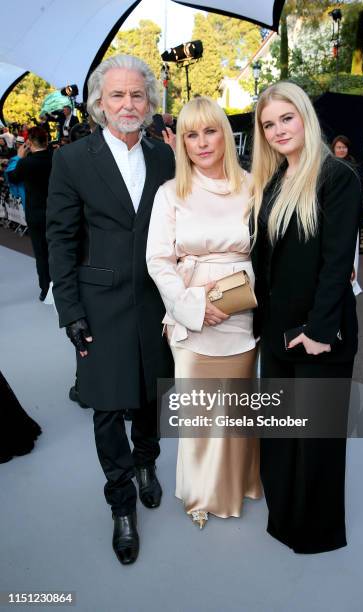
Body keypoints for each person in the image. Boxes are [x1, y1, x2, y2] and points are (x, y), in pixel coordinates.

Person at [46, 54, 175, 565]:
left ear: (149, 104)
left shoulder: (166, 159)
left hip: (157, 303)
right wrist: (69, 311)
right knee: (106, 407)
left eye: (137, 95)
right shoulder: (73, 160)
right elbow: (60, 238)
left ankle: (148, 463)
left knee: (150, 395)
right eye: (117, 95)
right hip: (98, 305)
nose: (128, 104)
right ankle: (121, 503)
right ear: (99, 103)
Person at [250, 82, 361, 554]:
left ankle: (314, 534)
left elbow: (337, 263)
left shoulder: (338, 178)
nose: (278, 130)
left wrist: (319, 332)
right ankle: (283, 519)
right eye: (268, 124)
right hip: (277, 332)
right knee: (279, 436)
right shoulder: (274, 181)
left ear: (305, 118)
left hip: (319, 334)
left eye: (286, 118)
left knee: (315, 442)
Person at [146, 96, 262, 529]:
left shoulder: (252, 185)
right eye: (191, 135)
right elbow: (157, 260)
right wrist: (195, 306)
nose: (201, 142)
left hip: (242, 311)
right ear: (181, 143)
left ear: (224, 134)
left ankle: (236, 484)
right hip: (192, 316)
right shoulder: (169, 193)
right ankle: (199, 492)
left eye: (209, 131)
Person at [7, 127, 53, 300]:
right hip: (57, 213)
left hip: (36, 215)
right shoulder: (57, 158)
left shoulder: (25, 163)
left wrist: (18, 156)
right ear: (46, 141)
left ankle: (46, 289)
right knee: (61, 251)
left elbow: (12, 177)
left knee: (41, 253)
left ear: (29, 143)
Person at [331, 135, 362, 296]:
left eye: (344, 147)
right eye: (338, 147)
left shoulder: (352, 167)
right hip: (333, 216)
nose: (341, 150)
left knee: (351, 248)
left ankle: (351, 282)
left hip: (348, 217)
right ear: (333, 149)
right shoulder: (328, 167)